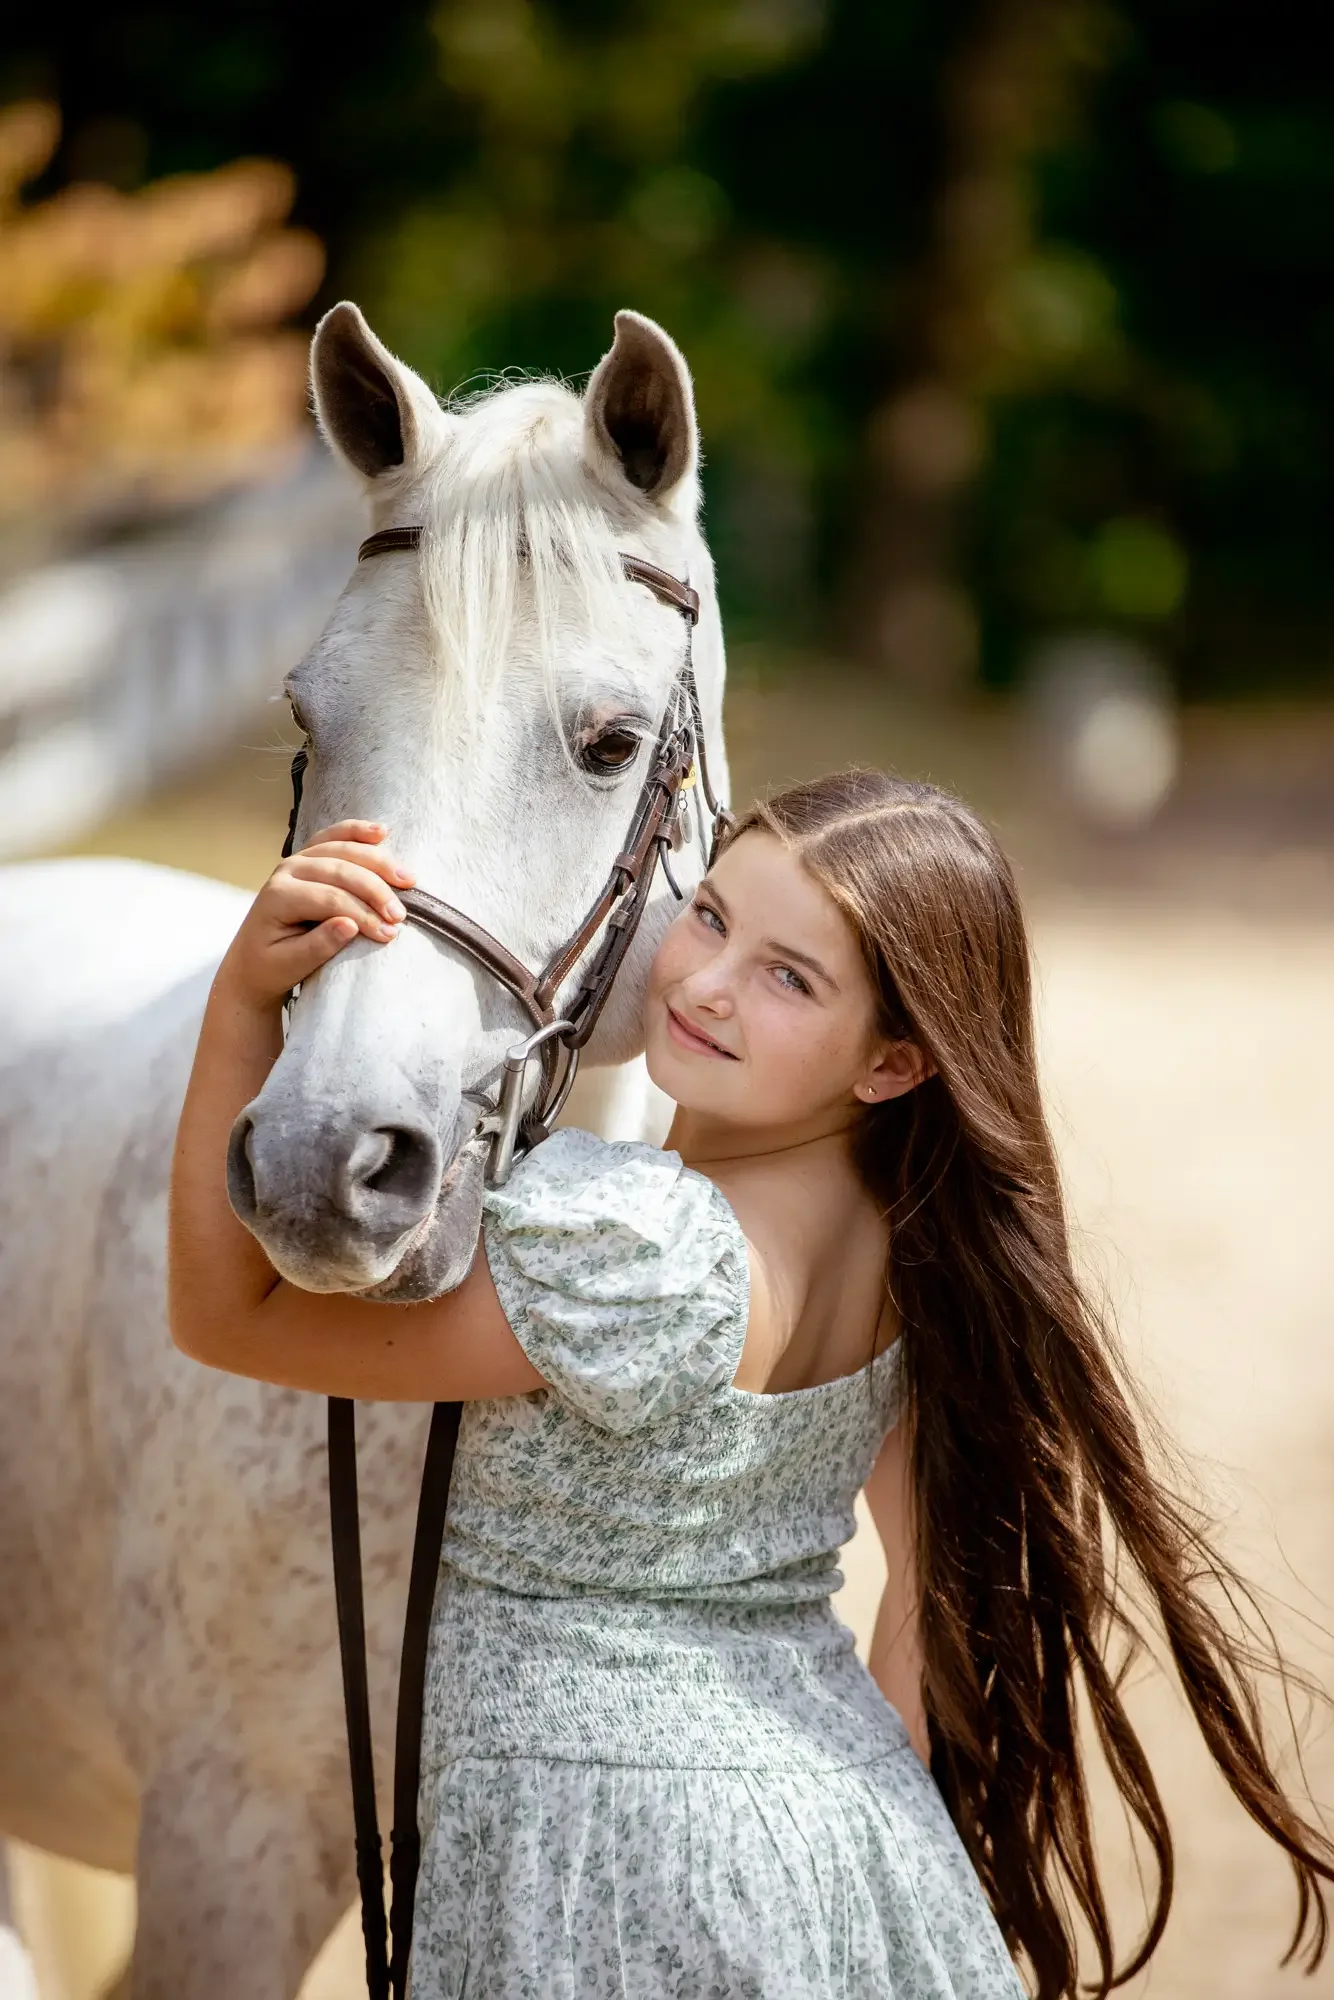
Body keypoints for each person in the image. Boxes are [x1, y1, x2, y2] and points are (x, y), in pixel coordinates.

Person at [170, 767, 1334, 1998]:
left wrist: (243, 1003)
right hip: (854, 1846)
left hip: (611, 1868)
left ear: (891, 1064)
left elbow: (222, 1312)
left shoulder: (637, 1250)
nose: (708, 982)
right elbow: (920, 1621)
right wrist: (882, 1874)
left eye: (790, 976)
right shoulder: (908, 1243)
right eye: (714, 914)